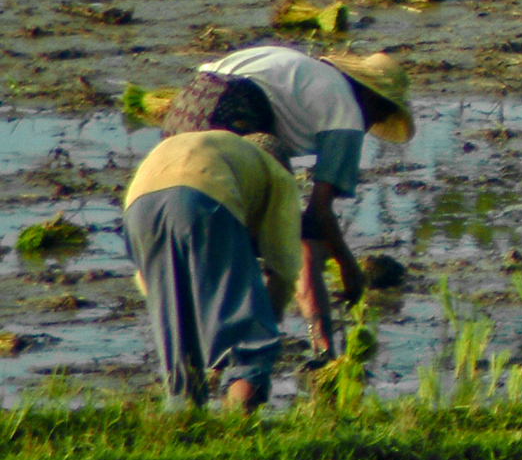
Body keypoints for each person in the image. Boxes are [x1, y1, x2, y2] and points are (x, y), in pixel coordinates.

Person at [164, 46, 413, 305]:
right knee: (275, 234)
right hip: (231, 112)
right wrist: (348, 267)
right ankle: (267, 327)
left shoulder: (312, 76)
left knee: (195, 222)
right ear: (372, 100)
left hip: (185, 107)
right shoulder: (347, 112)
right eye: (377, 117)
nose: (369, 127)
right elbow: (319, 213)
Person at [121, 128, 328, 408]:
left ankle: (182, 421)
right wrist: (265, 318)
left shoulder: (226, 152)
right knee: (251, 348)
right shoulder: (277, 177)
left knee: (182, 356)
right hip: (204, 197)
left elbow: (149, 282)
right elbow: (285, 267)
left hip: (139, 205)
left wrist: (195, 323)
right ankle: (236, 430)